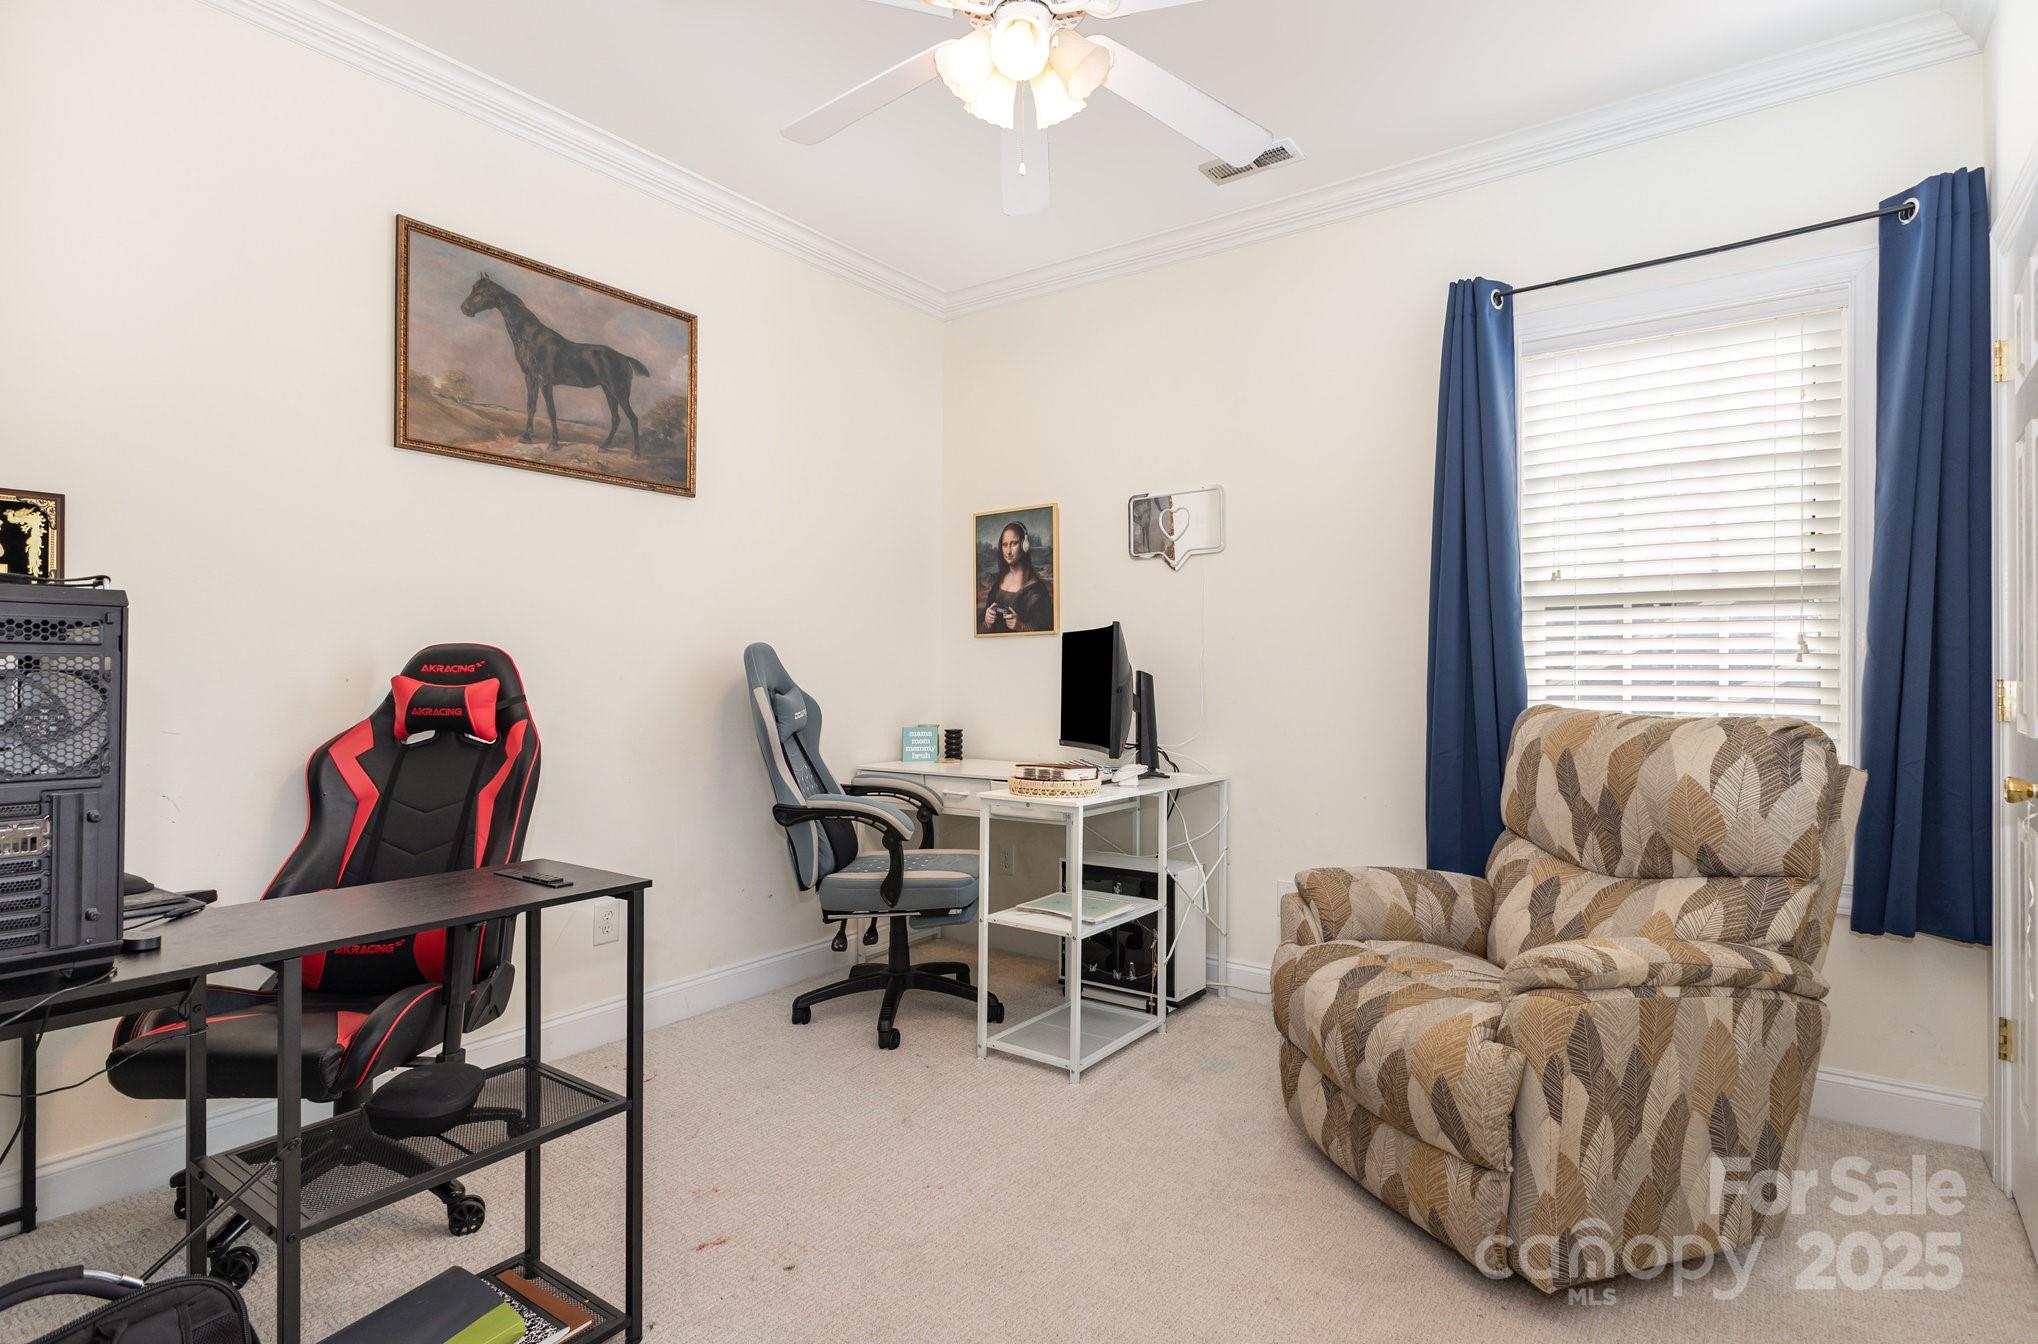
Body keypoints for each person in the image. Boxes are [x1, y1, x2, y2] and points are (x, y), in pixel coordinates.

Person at [979, 520, 1053, 633]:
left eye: (1014, 543)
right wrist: (987, 622)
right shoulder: (998, 582)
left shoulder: (1037, 590)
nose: (1008, 551)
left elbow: (1046, 631)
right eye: (1004, 545)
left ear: (1025, 545)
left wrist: (1021, 626)